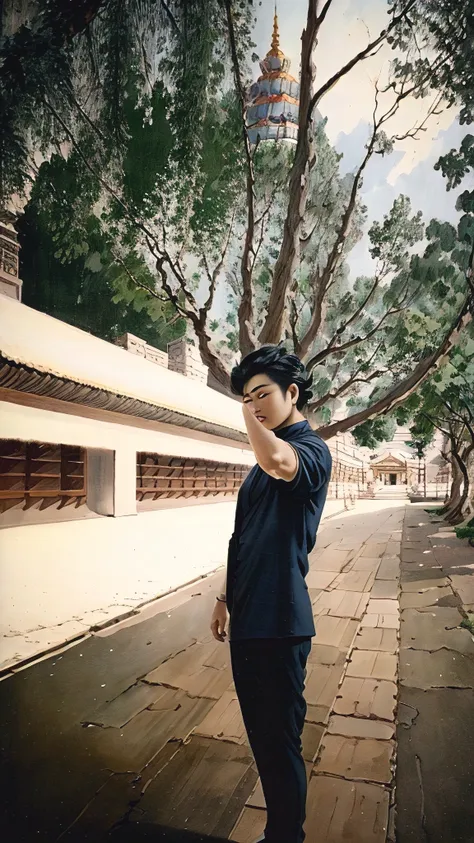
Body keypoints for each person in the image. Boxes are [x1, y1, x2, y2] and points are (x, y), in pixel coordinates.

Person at [210, 344, 332, 843]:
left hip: (281, 624)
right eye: (246, 397)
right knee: (263, 742)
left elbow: (281, 460)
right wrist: (224, 598)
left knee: (280, 746)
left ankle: (287, 838)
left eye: (262, 394)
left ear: (292, 393)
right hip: (248, 620)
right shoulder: (259, 465)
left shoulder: (310, 451)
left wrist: (247, 418)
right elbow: (242, 536)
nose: (254, 405)